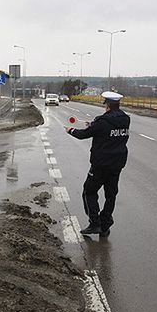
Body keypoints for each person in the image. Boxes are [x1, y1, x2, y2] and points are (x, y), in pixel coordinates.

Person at [65, 91, 130, 237]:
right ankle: (105, 225)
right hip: (117, 164)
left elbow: (83, 135)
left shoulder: (102, 122)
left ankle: (95, 223)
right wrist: (93, 126)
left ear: (107, 105)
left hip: (101, 165)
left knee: (89, 191)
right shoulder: (125, 119)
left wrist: (71, 130)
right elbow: (106, 130)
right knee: (111, 194)